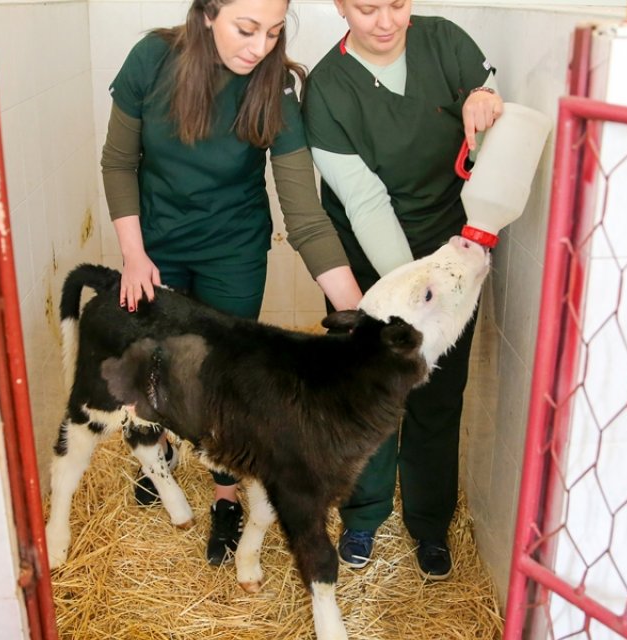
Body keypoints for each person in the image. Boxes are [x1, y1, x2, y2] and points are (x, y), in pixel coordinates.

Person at [100, 0, 363, 567]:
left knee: (223, 380)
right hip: (158, 244)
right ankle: (161, 449)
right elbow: (119, 162)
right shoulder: (152, 59)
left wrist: (357, 312)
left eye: (272, 32)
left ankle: (224, 496)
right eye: (246, 29)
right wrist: (134, 254)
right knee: (162, 367)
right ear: (207, 14)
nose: (260, 46)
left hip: (235, 248)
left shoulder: (277, 85)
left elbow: (306, 216)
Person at [301, 0, 503, 581]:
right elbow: (365, 202)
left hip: (452, 251)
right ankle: (363, 515)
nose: (386, 21)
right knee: (368, 398)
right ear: (340, 6)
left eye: (398, 3)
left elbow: (486, 102)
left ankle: (431, 524)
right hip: (375, 269)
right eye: (366, 8)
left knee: (439, 395)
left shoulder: (446, 43)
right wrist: (414, 304)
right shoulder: (327, 90)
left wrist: (485, 99)